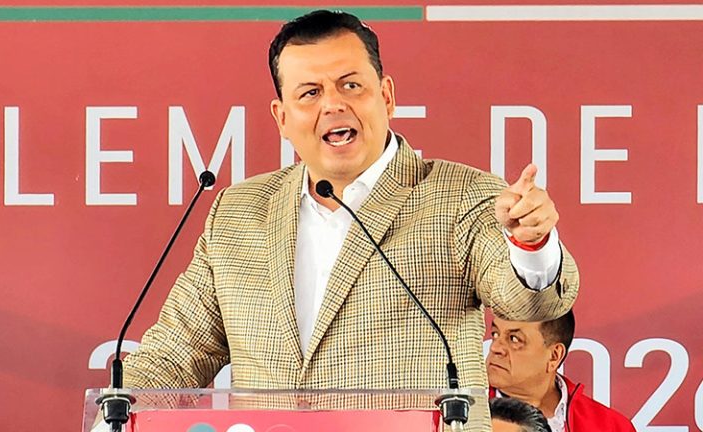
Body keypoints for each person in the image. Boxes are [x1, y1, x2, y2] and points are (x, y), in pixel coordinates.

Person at [123, 9, 579, 428]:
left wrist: (531, 245)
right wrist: (114, 415)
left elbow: (530, 303)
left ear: (387, 96)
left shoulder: (461, 196)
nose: (333, 105)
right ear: (282, 118)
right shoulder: (238, 212)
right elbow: (176, 353)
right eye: (310, 93)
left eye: (351, 85)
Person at [487, 311, 635, 431]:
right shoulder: (473, 413)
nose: (495, 348)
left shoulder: (612, 428)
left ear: (554, 356)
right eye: (495, 334)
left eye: (514, 339)